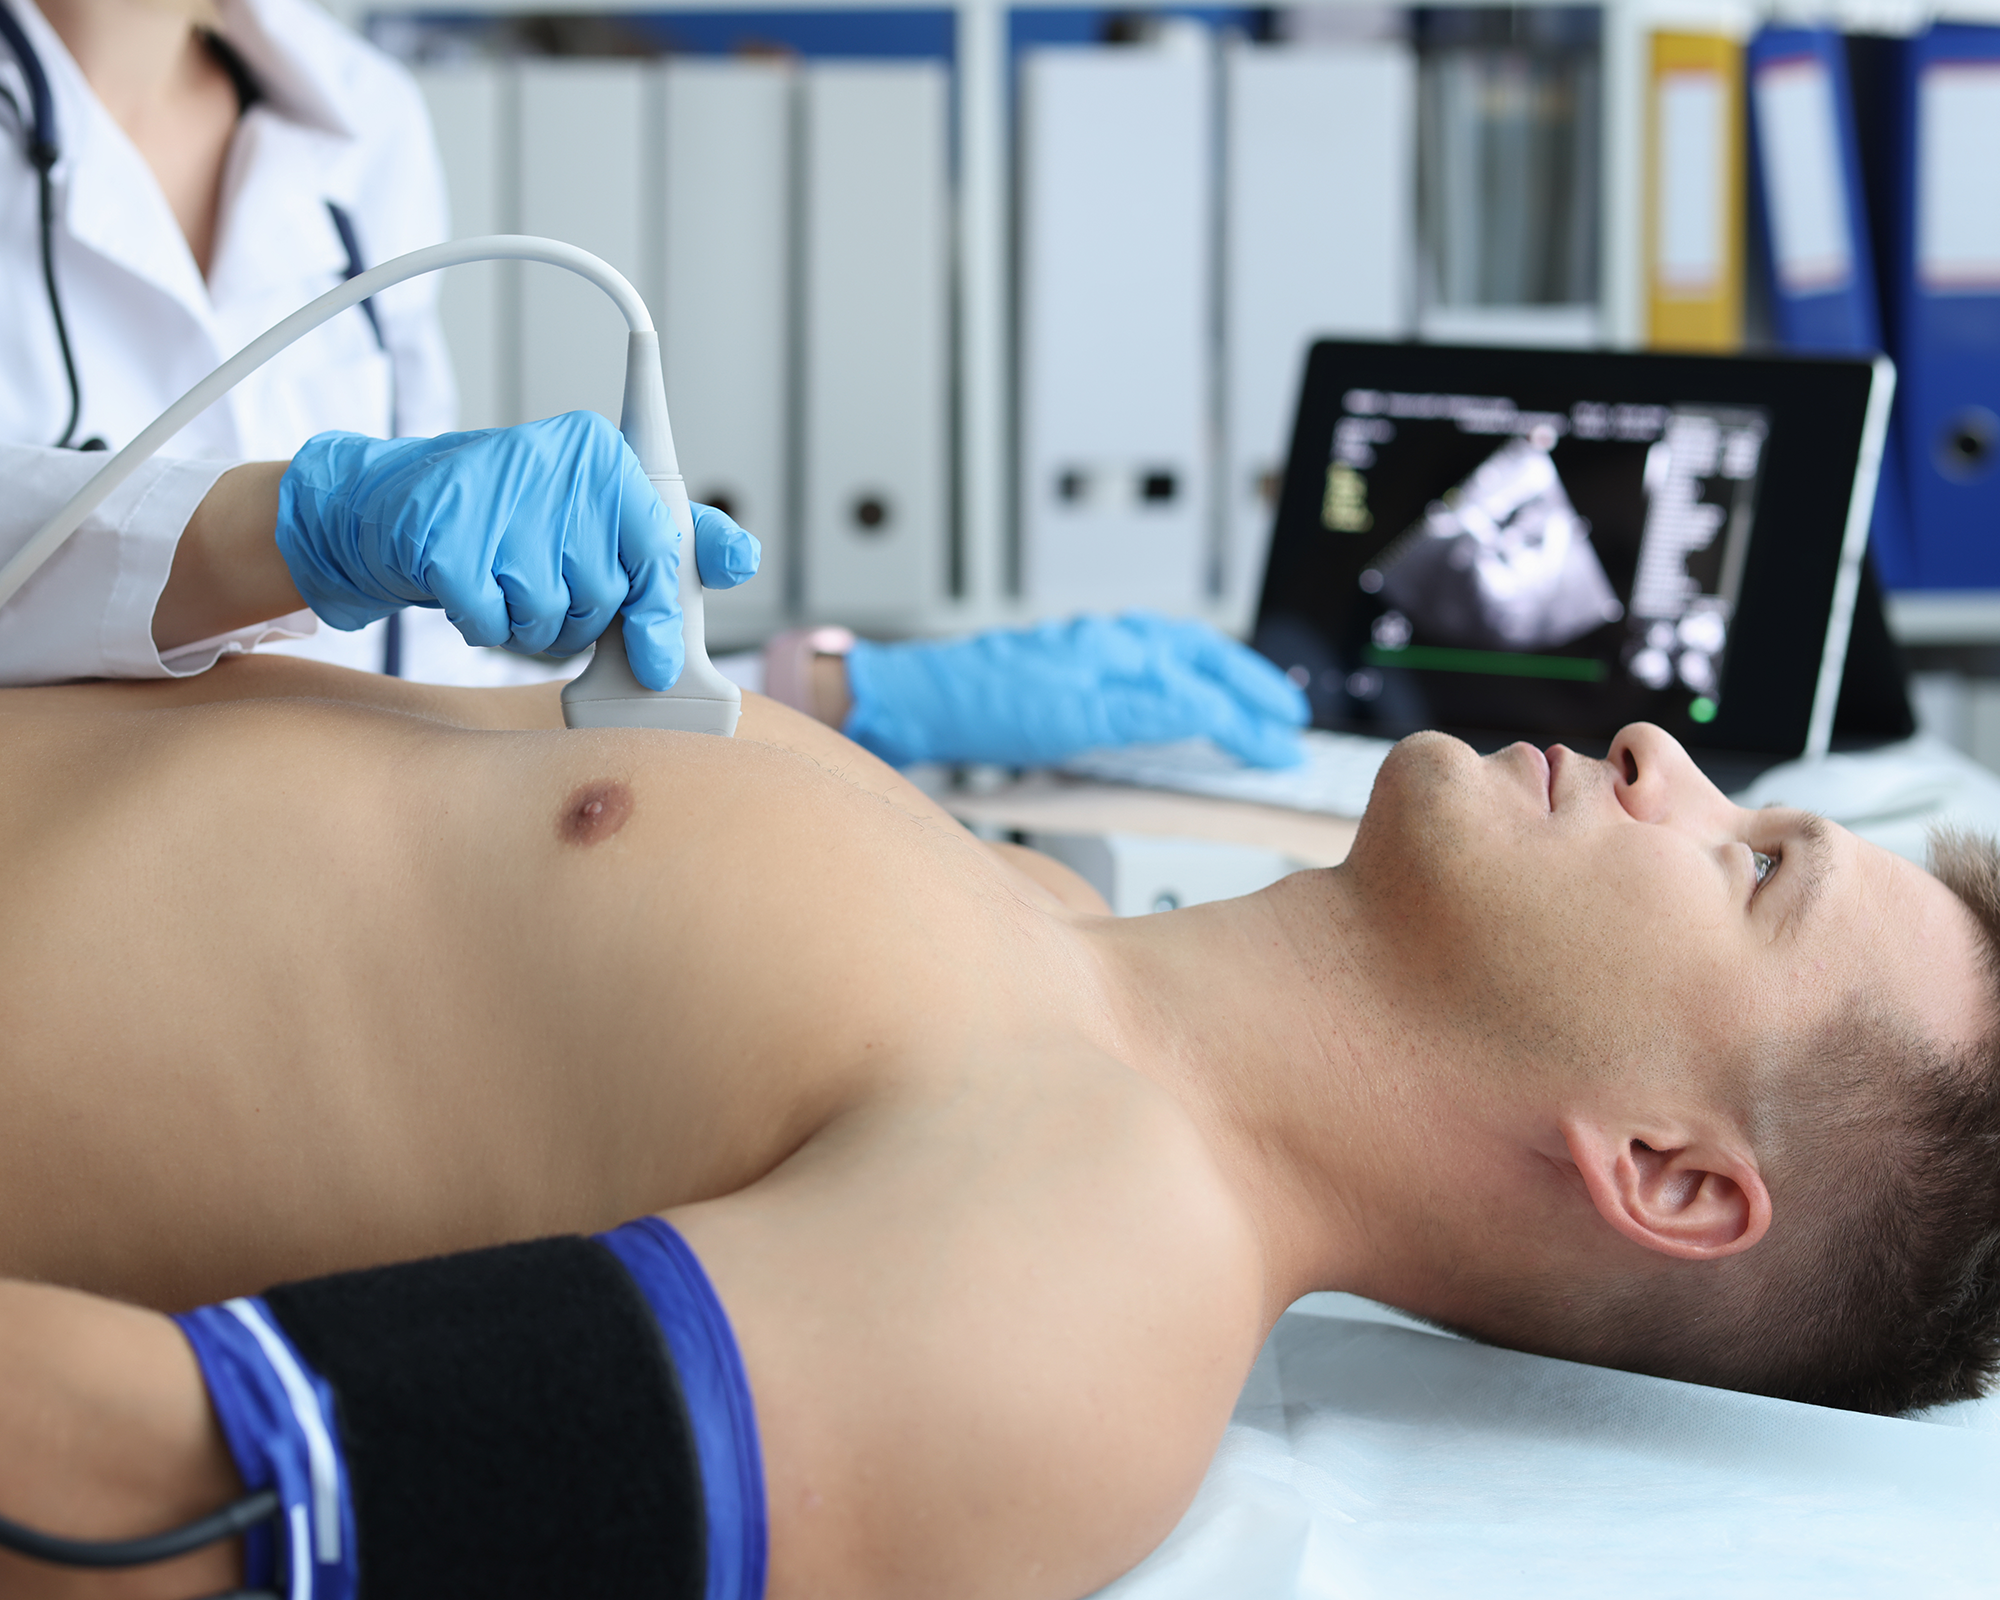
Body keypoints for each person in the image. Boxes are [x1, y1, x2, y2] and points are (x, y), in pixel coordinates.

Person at [2, 657, 1998, 1600]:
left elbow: (170, 1497)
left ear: (1666, 1173)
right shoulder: (1042, 925)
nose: (1662, 755)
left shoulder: (1072, 1293)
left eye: (1750, 866)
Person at [0, 0, 1308, 770]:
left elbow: (434, 693)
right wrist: (303, 522)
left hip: (359, 894)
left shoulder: (364, 125)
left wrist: (834, 697)